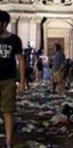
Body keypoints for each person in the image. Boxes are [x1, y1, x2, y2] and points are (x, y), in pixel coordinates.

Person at [0, 10, 25, 148]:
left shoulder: (15, 40)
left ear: (4, 24)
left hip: (8, 80)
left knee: (8, 112)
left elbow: (21, 60)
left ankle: (9, 143)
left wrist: (22, 82)